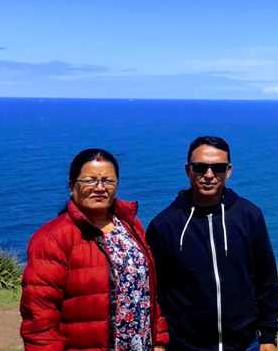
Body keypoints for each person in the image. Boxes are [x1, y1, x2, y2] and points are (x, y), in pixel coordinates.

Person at [20, 148, 168, 351]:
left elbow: (147, 291)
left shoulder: (130, 226)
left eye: (108, 181)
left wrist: (159, 342)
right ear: (72, 185)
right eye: (89, 180)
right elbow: (39, 317)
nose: (100, 187)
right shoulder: (52, 239)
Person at [147, 135, 278, 351]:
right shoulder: (165, 225)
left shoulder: (249, 216)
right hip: (184, 346)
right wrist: (159, 342)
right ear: (188, 170)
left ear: (228, 171)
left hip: (245, 344)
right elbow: (156, 291)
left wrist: (268, 336)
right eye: (200, 167)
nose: (209, 175)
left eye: (217, 168)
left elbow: (266, 279)